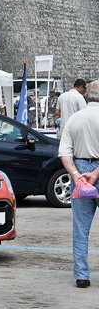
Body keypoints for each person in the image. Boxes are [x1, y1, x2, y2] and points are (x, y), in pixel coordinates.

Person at [58, 80, 99, 288]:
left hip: (80, 169)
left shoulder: (74, 118)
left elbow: (64, 152)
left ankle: (82, 276)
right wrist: (96, 173)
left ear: (86, 96)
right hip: (96, 169)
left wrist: (75, 175)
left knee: (81, 228)